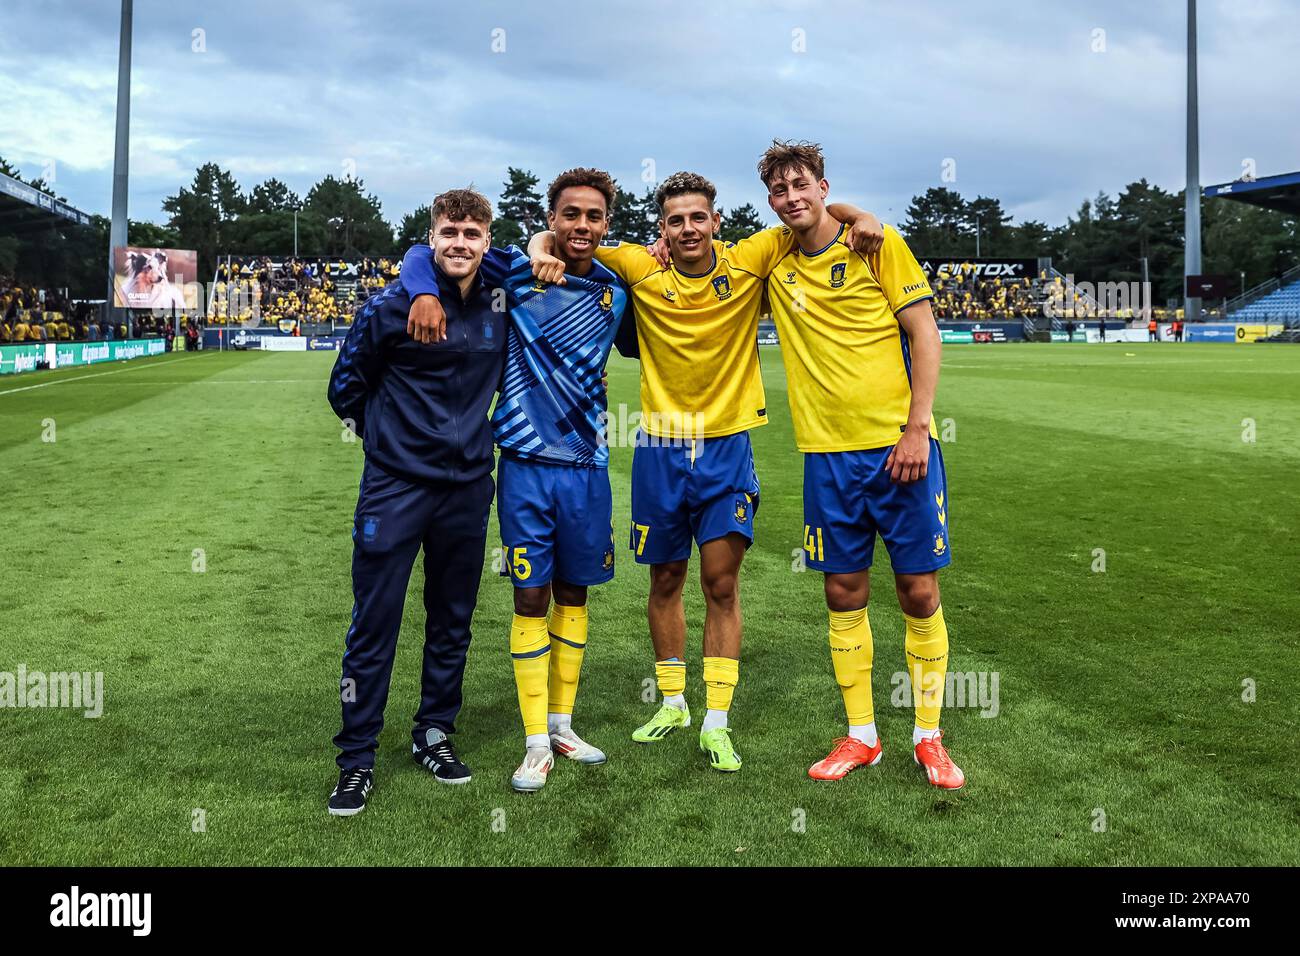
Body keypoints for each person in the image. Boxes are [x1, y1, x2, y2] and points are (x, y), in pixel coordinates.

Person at [532, 172, 881, 772]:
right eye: (675, 221)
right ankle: (672, 702)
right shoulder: (638, 268)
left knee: (721, 584)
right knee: (664, 580)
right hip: (660, 452)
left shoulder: (751, 259)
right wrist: (541, 250)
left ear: (716, 221)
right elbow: (560, 240)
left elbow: (813, 217)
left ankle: (716, 720)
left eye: (698, 218)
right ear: (660, 230)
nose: (688, 229)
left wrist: (860, 215)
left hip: (725, 449)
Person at [402, 169, 634, 793]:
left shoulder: (617, 289)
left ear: (607, 224)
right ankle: (535, 742)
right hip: (526, 466)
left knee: (577, 595)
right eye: (570, 215)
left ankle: (563, 724)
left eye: (593, 216)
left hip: (588, 465)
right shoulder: (511, 272)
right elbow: (424, 253)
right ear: (551, 218)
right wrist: (533, 248)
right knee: (530, 598)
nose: (582, 226)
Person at [756, 139, 964, 789]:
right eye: (780, 189)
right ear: (770, 200)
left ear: (822, 185)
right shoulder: (773, 262)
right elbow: (701, 258)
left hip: (899, 450)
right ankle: (862, 736)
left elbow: (924, 333)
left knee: (918, 591)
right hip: (827, 458)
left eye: (803, 185)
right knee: (843, 594)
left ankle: (928, 737)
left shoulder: (875, 243)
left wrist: (917, 430)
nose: (792, 197)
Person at [324, 188, 505, 816]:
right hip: (395, 489)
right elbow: (343, 389)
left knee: (452, 619)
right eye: (449, 231)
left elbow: (551, 251)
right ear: (432, 237)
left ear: (487, 240)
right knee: (374, 624)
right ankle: (356, 759)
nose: (460, 242)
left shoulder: (500, 301)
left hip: (467, 489)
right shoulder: (389, 308)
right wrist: (387, 443)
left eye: (472, 233)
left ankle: (433, 734)